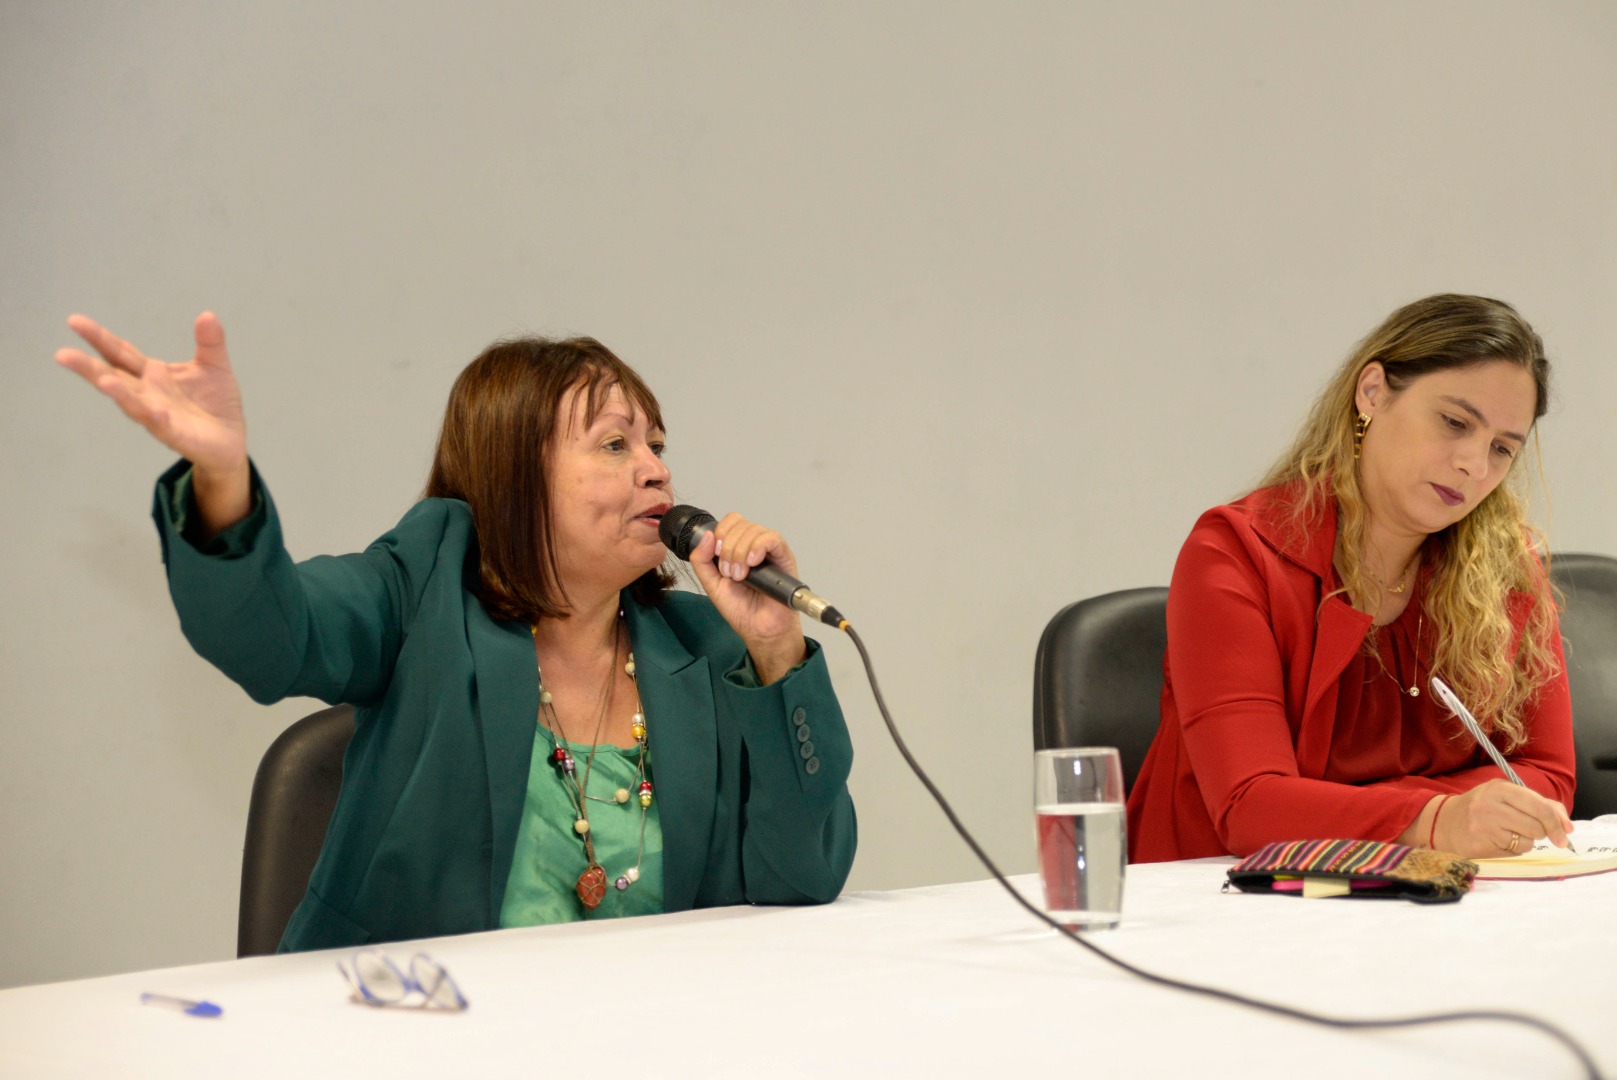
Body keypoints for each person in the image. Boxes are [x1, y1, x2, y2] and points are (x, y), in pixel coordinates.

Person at [55, 312, 856, 950]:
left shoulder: (706, 646)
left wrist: (776, 646)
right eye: (615, 444)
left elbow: (804, 877)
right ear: (514, 474)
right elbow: (268, 635)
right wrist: (221, 478)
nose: (655, 468)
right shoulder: (419, 592)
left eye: (656, 444)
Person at [1127, 294, 1576, 864]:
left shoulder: (1510, 568)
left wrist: (1362, 813)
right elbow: (1249, 805)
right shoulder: (1234, 552)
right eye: (1455, 422)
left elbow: (1548, 777)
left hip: (1416, 893)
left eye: (1502, 449)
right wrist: (1436, 818)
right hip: (1217, 904)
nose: (1474, 465)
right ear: (1372, 394)